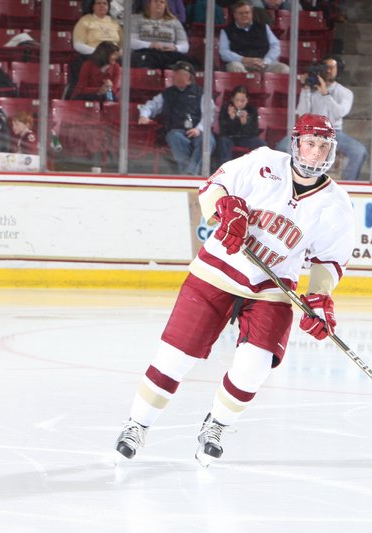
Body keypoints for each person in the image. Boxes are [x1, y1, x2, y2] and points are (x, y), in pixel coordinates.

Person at [114, 113, 356, 467]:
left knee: (254, 367)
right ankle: (137, 424)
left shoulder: (336, 204)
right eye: (310, 143)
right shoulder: (262, 163)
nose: (316, 153)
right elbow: (213, 189)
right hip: (215, 273)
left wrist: (319, 296)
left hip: (272, 288)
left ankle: (217, 426)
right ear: (295, 143)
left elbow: (329, 261)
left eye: (323, 146)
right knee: (175, 357)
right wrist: (224, 209)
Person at [277, 56, 367, 181]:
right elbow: (303, 114)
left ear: (338, 70)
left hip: (333, 132)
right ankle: (290, 181)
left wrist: (325, 94)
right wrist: (306, 90)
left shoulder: (344, 92)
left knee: (359, 151)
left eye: (332, 67)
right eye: (326, 67)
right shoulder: (312, 89)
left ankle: (348, 185)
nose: (329, 70)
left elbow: (339, 113)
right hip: (310, 131)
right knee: (282, 146)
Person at [138, 61, 216, 175]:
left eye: (177, 73)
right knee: (175, 138)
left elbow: (209, 114)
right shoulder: (168, 93)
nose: (173, 75)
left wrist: (198, 129)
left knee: (208, 141)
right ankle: (191, 175)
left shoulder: (202, 93)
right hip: (177, 131)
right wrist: (144, 115)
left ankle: (189, 174)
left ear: (188, 77)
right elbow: (152, 105)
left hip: (198, 131)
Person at [219, 0, 290, 74]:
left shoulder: (264, 27)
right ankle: (245, 85)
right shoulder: (226, 31)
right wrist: (244, 59)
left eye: (247, 12)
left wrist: (266, 61)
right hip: (241, 63)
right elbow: (224, 53)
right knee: (234, 66)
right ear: (234, 15)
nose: (244, 15)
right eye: (241, 13)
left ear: (251, 13)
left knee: (284, 69)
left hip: (264, 63)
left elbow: (275, 46)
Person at [129, 0, 193, 69]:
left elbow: (185, 46)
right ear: (149, 4)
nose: (158, 4)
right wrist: (150, 45)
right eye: (155, 1)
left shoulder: (175, 22)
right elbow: (131, 42)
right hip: (146, 53)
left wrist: (175, 48)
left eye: (162, 2)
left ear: (165, 5)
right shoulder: (136, 19)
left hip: (169, 55)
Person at [217, 86, 267, 164]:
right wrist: (231, 119)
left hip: (245, 138)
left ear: (247, 100)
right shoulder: (226, 108)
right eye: (237, 100)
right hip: (229, 138)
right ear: (232, 99)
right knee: (223, 141)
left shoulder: (251, 110)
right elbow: (223, 130)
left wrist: (244, 123)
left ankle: (258, 169)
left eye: (242, 100)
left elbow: (254, 132)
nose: (239, 103)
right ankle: (225, 168)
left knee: (261, 144)